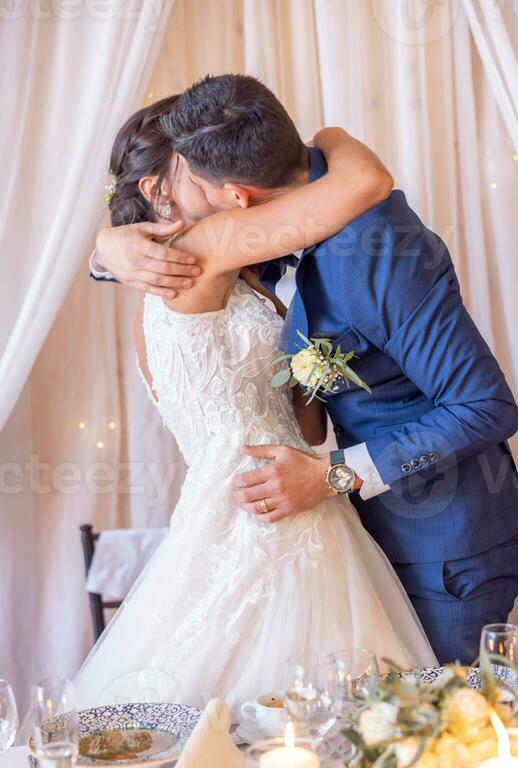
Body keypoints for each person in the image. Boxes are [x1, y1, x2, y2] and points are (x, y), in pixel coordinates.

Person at [92, 73, 518, 666]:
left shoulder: (376, 252)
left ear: (238, 197)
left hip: (443, 541)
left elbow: (487, 407)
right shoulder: (255, 244)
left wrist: (334, 477)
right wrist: (108, 248)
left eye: (199, 179)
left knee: (441, 737)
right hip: (337, 526)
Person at [75, 94, 435, 710]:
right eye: (194, 168)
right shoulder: (205, 249)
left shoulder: (202, 269)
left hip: (266, 486)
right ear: (157, 190)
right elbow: (366, 180)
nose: (221, 182)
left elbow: (304, 419)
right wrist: (330, 130)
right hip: (272, 502)